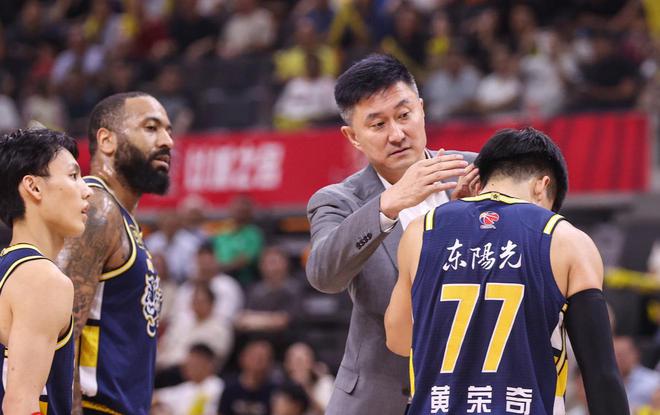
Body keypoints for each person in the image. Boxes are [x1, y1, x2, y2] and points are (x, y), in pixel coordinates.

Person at [385, 128, 629, 414]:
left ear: (480, 180)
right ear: (542, 187)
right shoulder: (567, 238)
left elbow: (399, 340)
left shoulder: (422, 231)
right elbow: (601, 374)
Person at [306, 54, 478, 415]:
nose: (397, 134)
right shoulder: (338, 200)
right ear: (353, 137)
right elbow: (323, 274)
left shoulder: (477, 172)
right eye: (378, 124)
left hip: (475, 387)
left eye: (404, 115)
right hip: (381, 399)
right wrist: (387, 205)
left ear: (422, 109)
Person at [57, 91, 174, 414]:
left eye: (168, 131)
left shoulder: (121, 219)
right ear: (107, 141)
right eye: (151, 128)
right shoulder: (96, 208)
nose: (167, 141)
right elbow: (58, 331)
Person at [0, 128, 91, 413]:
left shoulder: (10, 269)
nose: (87, 189)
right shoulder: (42, 279)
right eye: (73, 176)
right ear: (34, 187)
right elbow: (19, 404)